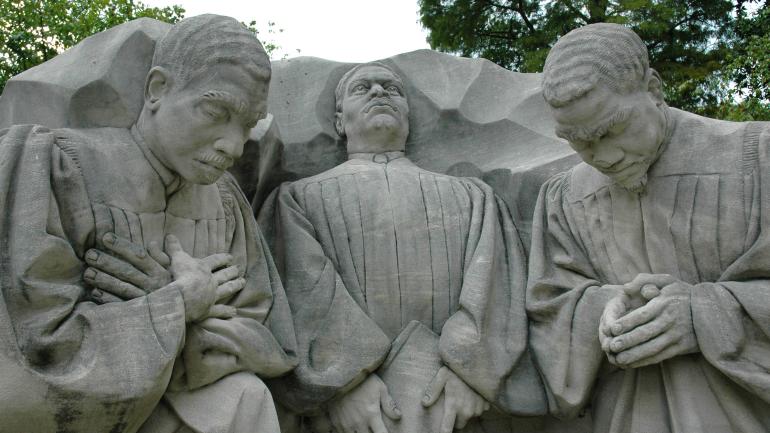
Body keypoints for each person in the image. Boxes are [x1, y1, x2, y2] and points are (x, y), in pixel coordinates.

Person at [0, 15, 296, 433]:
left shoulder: (227, 201)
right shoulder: (56, 166)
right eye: (216, 111)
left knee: (244, 395)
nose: (234, 146)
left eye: (247, 126)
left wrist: (169, 312)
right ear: (157, 88)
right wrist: (179, 305)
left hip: (187, 407)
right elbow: (35, 348)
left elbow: (263, 337)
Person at [259, 62, 545, 433]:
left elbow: (496, 289)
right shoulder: (296, 199)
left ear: (409, 116)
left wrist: (472, 373)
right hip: (349, 415)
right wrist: (341, 384)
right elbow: (301, 293)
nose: (379, 92)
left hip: (454, 406)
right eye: (362, 88)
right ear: (339, 121)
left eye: (392, 88)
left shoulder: (474, 196)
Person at [528, 23, 770, 433]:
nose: (603, 157)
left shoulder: (757, 157)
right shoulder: (564, 198)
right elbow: (551, 308)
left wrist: (703, 314)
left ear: (653, 89)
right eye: (579, 142)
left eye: (612, 129)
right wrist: (608, 309)